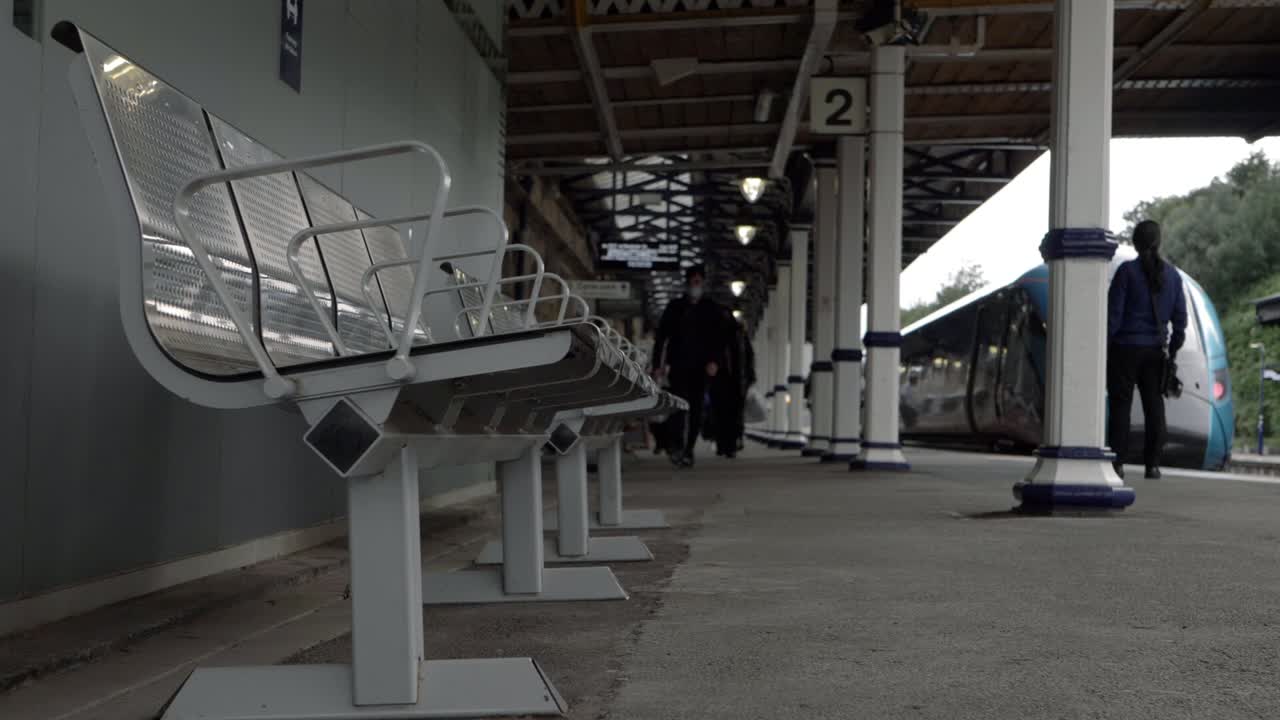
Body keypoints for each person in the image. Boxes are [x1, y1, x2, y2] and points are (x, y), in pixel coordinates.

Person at [1107, 219, 1187, 480]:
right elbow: (1180, 321)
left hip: (1125, 350)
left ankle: (1117, 462)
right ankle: (1152, 465)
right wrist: (1172, 351)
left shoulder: (1126, 273)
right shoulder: (1173, 276)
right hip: (1155, 351)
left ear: (1135, 242)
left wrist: (1106, 344)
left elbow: (1114, 316)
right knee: (1154, 406)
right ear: (1158, 242)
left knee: (1121, 406)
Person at [652, 265, 735, 466]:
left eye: (698, 282)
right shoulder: (675, 308)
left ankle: (688, 449)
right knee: (678, 407)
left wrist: (715, 361)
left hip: (701, 368)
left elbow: (721, 339)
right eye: (692, 282)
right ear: (687, 283)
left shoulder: (711, 309)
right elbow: (662, 337)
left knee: (696, 410)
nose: (695, 285)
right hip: (678, 366)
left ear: (703, 283)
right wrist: (658, 365)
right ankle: (677, 444)